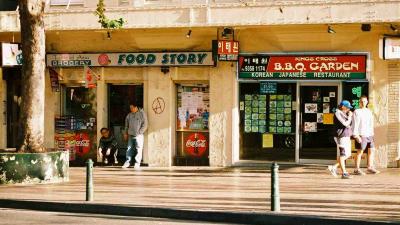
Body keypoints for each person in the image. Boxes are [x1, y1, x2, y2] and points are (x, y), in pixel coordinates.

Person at [352, 95, 380, 175]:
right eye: (361, 101)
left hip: (369, 134)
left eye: (364, 101)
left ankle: (370, 167)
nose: (363, 103)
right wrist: (356, 136)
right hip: (361, 134)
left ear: (367, 102)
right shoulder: (356, 111)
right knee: (360, 152)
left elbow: (371, 123)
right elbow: (355, 124)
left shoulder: (369, 111)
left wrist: (372, 133)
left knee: (371, 150)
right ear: (359, 102)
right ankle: (356, 169)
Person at [328, 100, 353, 179]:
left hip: (346, 135)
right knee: (343, 154)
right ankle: (344, 173)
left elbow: (348, 125)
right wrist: (350, 117)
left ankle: (333, 167)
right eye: (347, 108)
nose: (348, 109)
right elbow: (345, 123)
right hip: (341, 136)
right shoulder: (338, 112)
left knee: (348, 154)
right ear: (343, 107)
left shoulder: (344, 113)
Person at [122, 102, 148, 169]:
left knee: (138, 149)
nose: (131, 109)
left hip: (139, 135)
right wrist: (125, 133)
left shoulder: (142, 114)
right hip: (130, 134)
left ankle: (137, 163)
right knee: (129, 149)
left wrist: (140, 132)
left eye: (132, 108)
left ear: (136, 107)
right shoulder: (129, 115)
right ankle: (127, 162)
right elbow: (126, 125)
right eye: (130, 108)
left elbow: (145, 124)